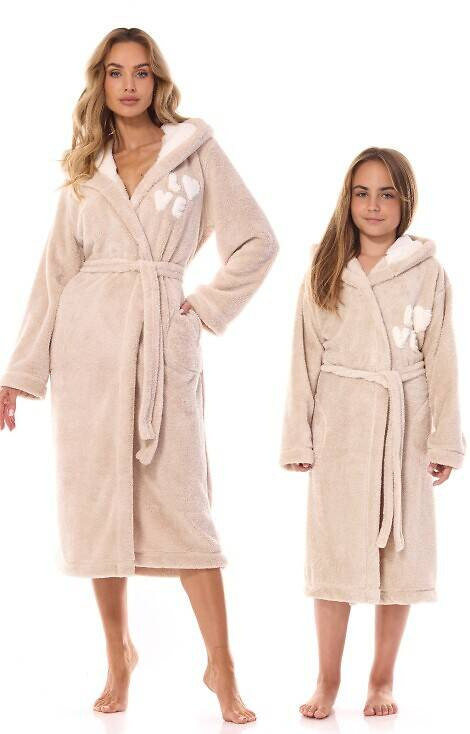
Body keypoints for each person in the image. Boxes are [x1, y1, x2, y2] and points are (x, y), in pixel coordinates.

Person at [0, 27, 278, 722]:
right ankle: (118, 653)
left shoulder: (193, 150)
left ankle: (221, 666)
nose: (129, 85)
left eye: (142, 72)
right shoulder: (85, 169)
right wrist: (21, 372)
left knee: (186, 509)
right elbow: (55, 274)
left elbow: (256, 240)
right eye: (117, 72)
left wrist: (203, 308)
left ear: (158, 81)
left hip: (160, 343)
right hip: (88, 350)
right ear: (101, 81)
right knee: (98, 504)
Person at [279, 146, 465, 719]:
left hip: (404, 427)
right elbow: (303, 357)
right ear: (348, 199)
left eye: (387, 193)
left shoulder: (427, 272)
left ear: (406, 201)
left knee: (398, 556)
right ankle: (327, 679)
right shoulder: (325, 268)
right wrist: (298, 437)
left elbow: (442, 360)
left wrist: (445, 440)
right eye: (362, 193)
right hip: (341, 427)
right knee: (333, 554)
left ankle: (381, 680)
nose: (374, 205)